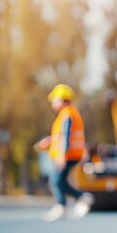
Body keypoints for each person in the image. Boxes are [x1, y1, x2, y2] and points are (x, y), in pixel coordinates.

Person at [36, 84, 94, 221]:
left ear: (61, 99)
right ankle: (81, 198)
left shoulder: (67, 114)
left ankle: (62, 206)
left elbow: (67, 136)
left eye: (54, 99)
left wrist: (62, 155)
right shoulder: (68, 114)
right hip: (71, 154)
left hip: (68, 155)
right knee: (59, 181)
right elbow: (62, 135)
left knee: (55, 180)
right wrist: (50, 141)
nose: (52, 103)